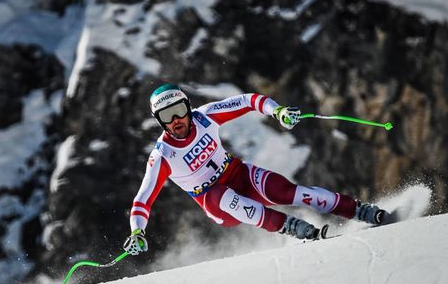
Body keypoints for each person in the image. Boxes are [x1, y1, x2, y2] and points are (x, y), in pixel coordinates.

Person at [123, 84, 387, 255]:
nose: (176, 120)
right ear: (159, 121)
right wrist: (137, 231)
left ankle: (359, 210)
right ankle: (294, 228)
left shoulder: (205, 116)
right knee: (222, 196)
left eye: (179, 111)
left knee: (286, 191)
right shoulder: (163, 155)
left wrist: (278, 111)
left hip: (238, 173)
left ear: (188, 107)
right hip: (215, 201)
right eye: (167, 116)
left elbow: (248, 100)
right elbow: (143, 199)